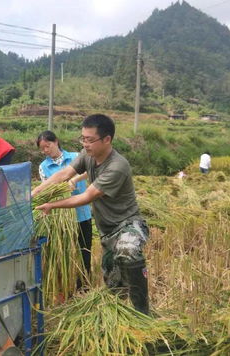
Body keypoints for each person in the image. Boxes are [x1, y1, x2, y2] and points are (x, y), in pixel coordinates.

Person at [32, 114, 150, 314]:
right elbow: (62, 175)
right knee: (114, 288)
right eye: (83, 139)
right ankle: (121, 320)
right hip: (107, 231)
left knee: (128, 250)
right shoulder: (87, 156)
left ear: (107, 139)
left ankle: (143, 312)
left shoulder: (117, 166)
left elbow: (87, 197)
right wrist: (33, 193)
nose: (85, 144)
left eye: (90, 140)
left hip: (129, 224)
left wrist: (52, 204)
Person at [37, 130, 93, 289]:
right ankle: (65, 286)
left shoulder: (76, 157)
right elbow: (47, 188)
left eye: (48, 146)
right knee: (64, 253)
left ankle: (84, 287)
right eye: (42, 149)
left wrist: (74, 179)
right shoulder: (43, 166)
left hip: (81, 214)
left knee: (84, 252)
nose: (46, 151)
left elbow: (90, 171)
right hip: (60, 216)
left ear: (56, 141)